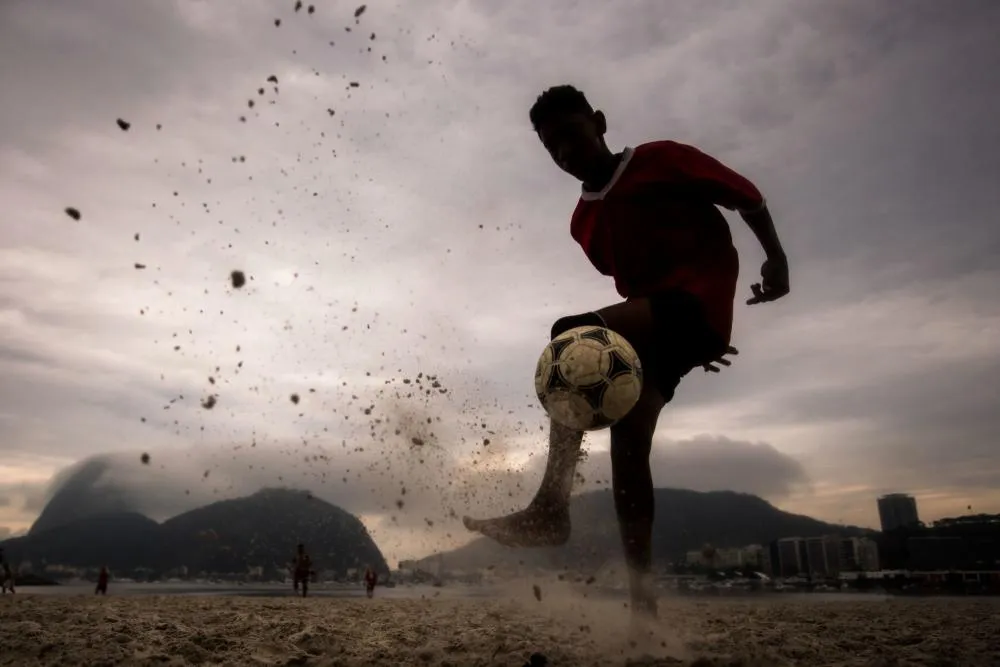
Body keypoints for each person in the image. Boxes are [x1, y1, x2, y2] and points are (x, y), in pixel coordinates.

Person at [462, 85, 790, 621]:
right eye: (551, 146)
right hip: (663, 328)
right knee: (628, 449)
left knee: (571, 336)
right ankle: (644, 607)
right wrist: (684, 344)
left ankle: (550, 508)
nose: (564, 152)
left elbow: (746, 195)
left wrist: (775, 258)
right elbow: (636, 288)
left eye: (571, 134)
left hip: (691, 310)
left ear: (600, 122)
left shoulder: (661, 159)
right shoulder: (582, 223)